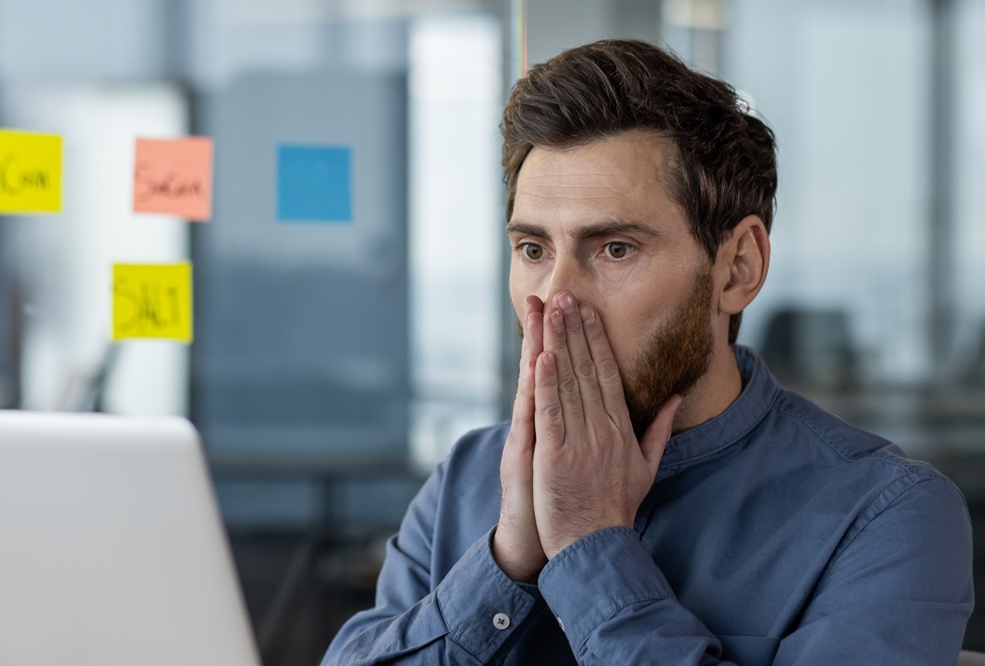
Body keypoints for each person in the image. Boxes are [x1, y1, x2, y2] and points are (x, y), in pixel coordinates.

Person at [321, 39, 974, 665]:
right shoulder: (466, 480)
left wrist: (588, 543)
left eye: (614, 249)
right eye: (533, 250)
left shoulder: (888, 515)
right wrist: (506, 558)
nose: (555, 298)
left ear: (737, 268)